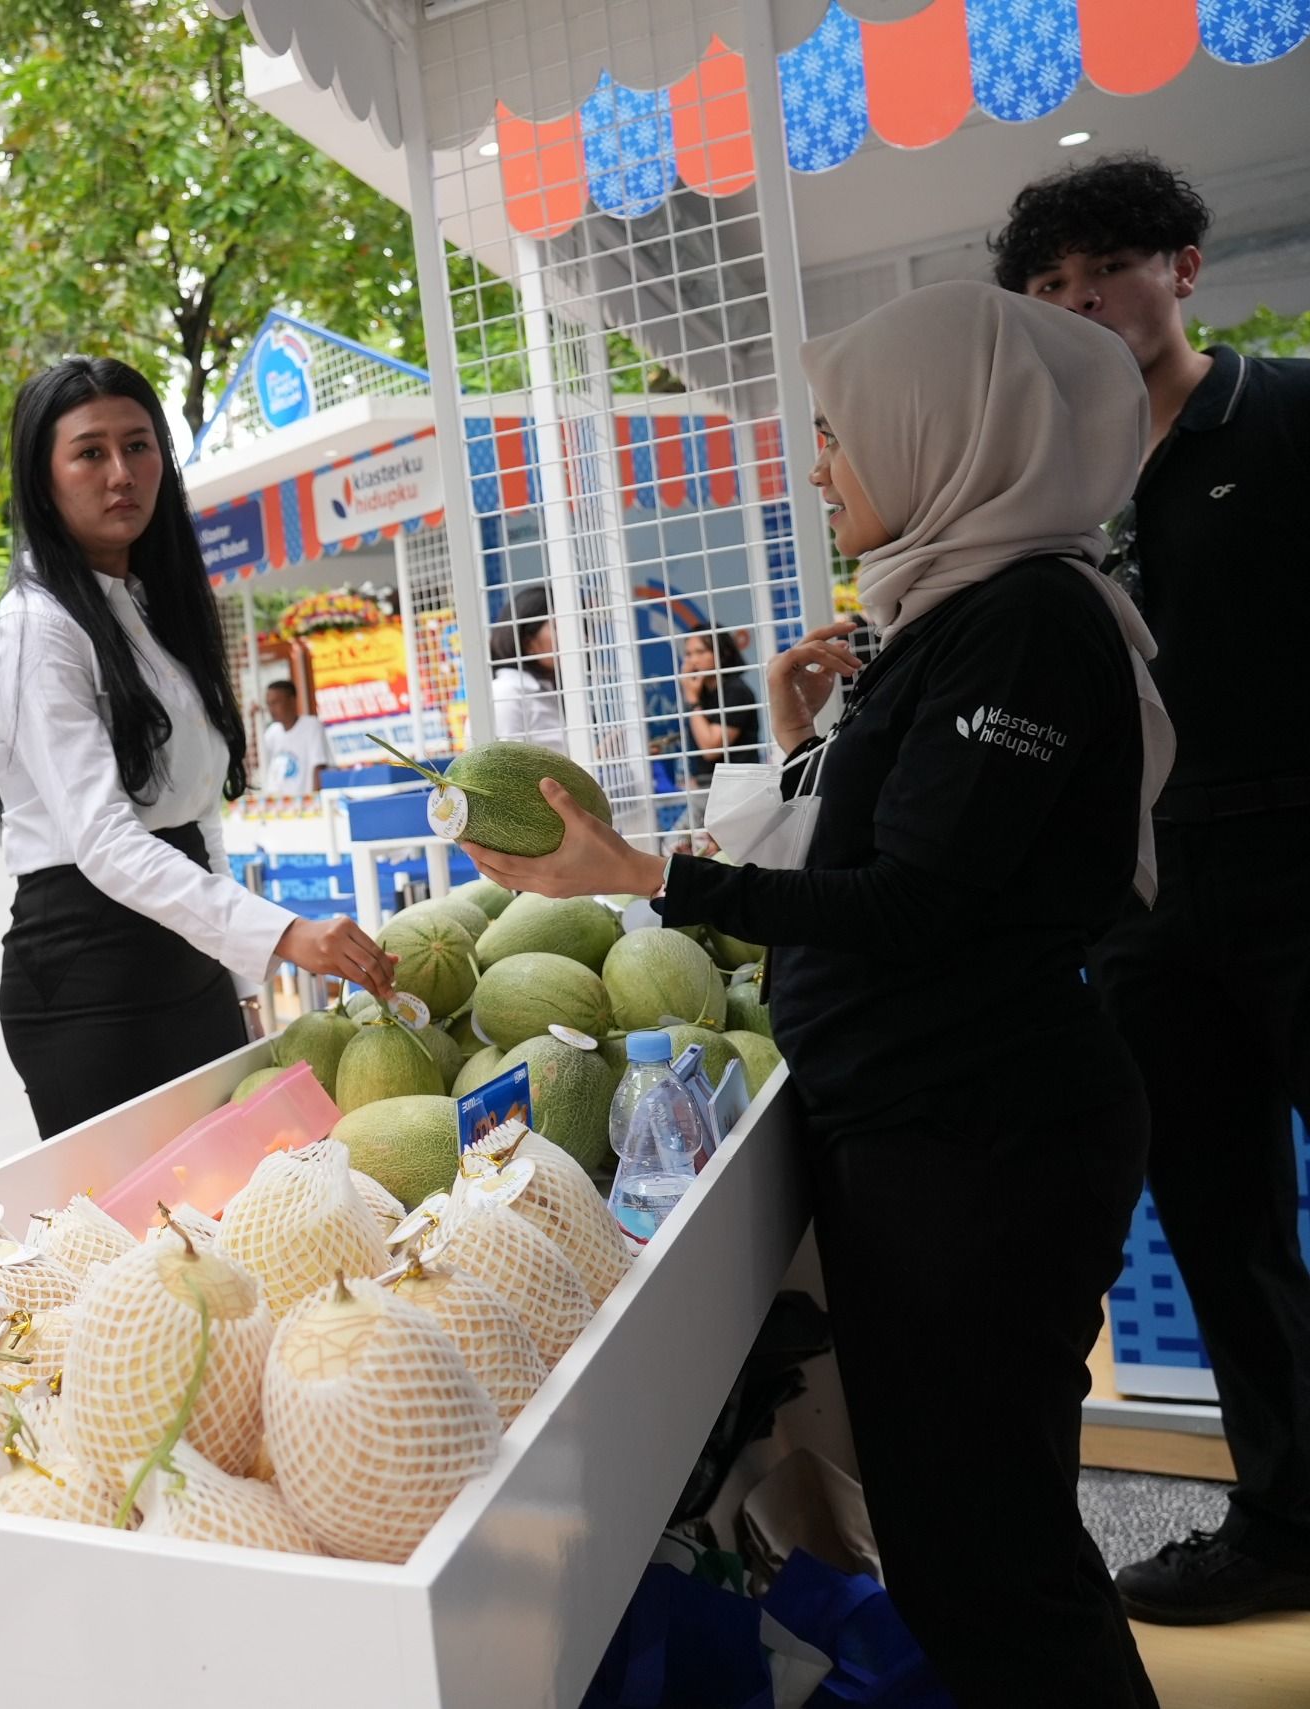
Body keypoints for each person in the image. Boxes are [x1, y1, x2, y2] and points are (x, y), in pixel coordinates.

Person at [458, 284, 1171, 1707]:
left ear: (942, 432)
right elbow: (910, 842)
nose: (821, 463)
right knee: (962, 1538)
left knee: (997, 1558)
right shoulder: (957, 610)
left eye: (842, 433)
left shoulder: (1029, 624)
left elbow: (917, 903)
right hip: (931, 1133)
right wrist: (805, 743)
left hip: (982, 1145)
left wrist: (652, 873)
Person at [994, 152, 1310, 1626]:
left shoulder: (1290, 414)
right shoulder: (1052, 491)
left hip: (1303, 858)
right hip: (1146, 902)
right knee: (1217, 1219)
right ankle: (1282, 1517)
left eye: (1104, 271)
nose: (1080, 303)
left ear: (1182, 266)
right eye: (1049, 290)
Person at [0, 356, 397, 1138]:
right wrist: (282, 933)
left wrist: (237, 971)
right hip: (86, 976)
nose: (121, 473)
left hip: (187, 956)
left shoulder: (155, 612)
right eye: (90, 452)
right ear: (42, 476)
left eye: (139, 446)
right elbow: (104, 841)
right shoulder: (37, 627)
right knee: (135, 1234)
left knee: (228, 1201)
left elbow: (198, 818)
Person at [676, 628, 759, 795]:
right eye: (688, 654)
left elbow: (711, 748)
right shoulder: (702, 692)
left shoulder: (736, 691)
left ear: (722, 653)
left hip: (736, 788)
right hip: (708, 785)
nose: (693, 661)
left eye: (700, 652)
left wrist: (692, 699)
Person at [488, 581, 567, 752]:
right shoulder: (506, 693)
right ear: (528, 641)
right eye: (556, 626)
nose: (577, 635)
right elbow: (505, 768)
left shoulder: (547, 689)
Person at [257, 678, 332, 794]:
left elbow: (318, 766)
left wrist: (315, 801)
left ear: (292, 701)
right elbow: (257, 759)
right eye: (269, 704)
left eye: (276, 702)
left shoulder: (311, 726)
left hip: (304, 805)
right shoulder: (272, 732)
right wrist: (253, 722)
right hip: (277, 806)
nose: (271, 709)